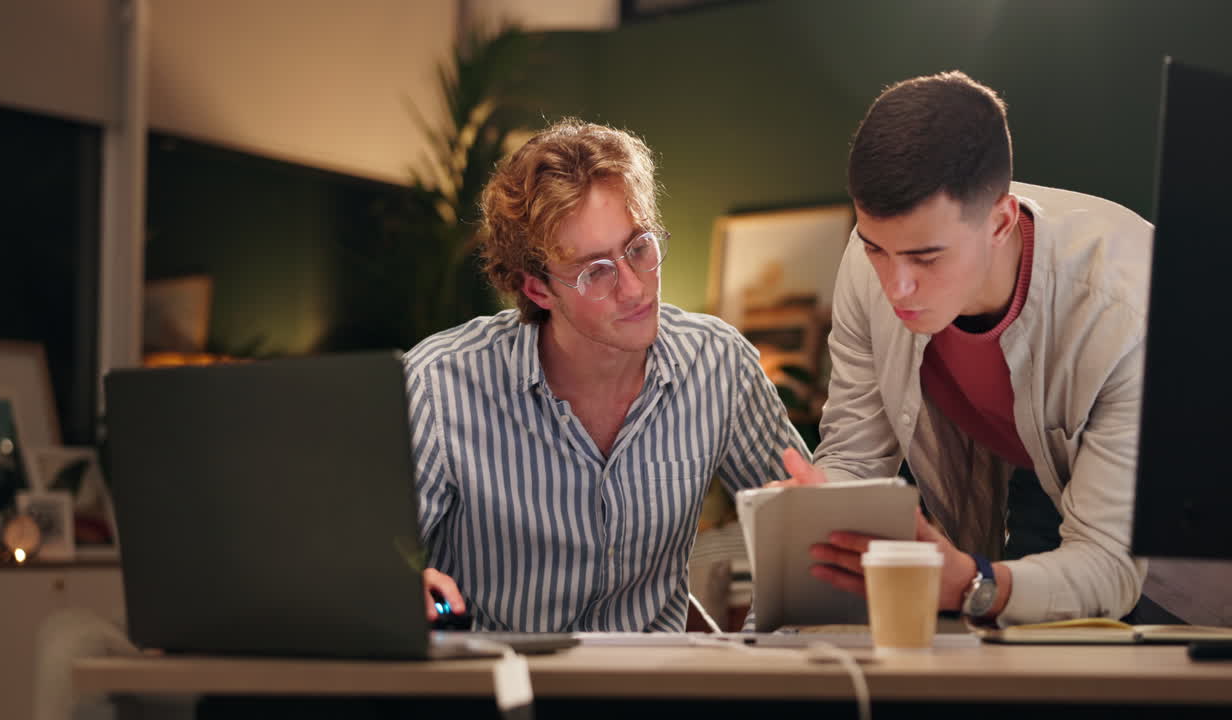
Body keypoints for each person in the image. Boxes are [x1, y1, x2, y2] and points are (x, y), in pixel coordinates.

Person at [777, 70, 1170, 626]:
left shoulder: (1128, 309)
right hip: (1037, 483)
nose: (895, 286)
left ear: (1001, 222)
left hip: (1179, 543)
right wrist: (817, 511)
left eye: (927, 258)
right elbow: (854, 458)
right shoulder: (875, 260)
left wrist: (974, 584)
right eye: (877, 250)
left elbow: (1110, 564)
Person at [403, 118, 807, 632]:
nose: (636, 289)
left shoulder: (719, 364)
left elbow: (807, 542)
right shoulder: (441, 386)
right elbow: (363, 564)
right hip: (498, 692)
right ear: (538, 290)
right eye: (596, 271)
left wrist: (750, 663)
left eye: (639, 247)